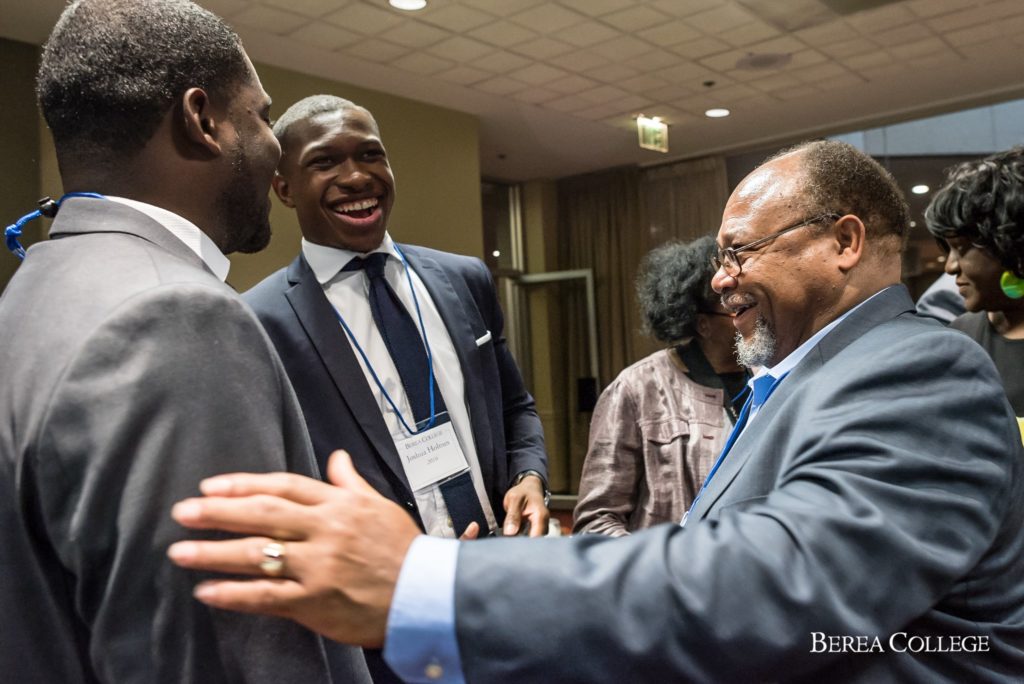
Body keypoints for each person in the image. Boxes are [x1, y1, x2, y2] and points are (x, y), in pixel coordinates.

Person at [169, 140, 1024, 682]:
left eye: (741, 252)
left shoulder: (919, 369)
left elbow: (779, 584)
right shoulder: (804, 375)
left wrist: (427, 582)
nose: (720, 279)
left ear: (843, 242)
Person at [0, 1, 370, 681]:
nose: (272, 146)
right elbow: (227, 654)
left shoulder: (30, 292)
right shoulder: (176, 316)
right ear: (202, 120)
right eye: (261, 117)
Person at [241, 95, 549, 681]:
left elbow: (516, 406)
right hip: (385, 620)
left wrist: (529, 476)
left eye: (370, 155)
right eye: (325, 161)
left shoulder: (463, 278)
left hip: (500, 581)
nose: (357, 177)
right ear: (284, 188)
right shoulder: (259, 321)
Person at [574, 236, 747, 535]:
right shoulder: (636, 389)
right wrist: (659, 560)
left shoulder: (769, 379)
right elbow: (596, 521)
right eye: (735, 310)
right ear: (702, 324)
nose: (748, 317)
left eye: (748, 305)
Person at [925, 147, 1024, 437]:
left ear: (1011, 245)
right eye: (948, 249)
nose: (950, 267)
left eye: (961, 248)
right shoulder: (960, 338)